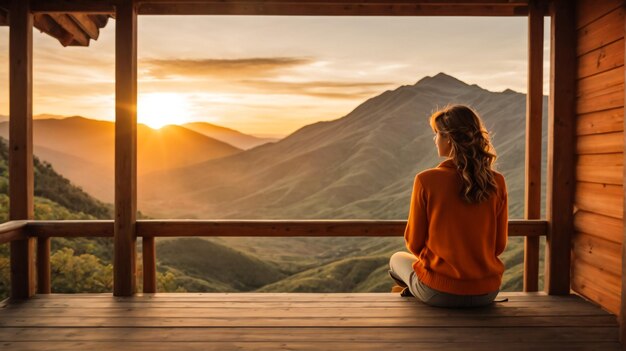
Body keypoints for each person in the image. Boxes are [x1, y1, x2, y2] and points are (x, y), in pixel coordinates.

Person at [388, 104, 508, 308]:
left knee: (396, 259)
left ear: (449, 138)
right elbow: (498, 245)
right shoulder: (496, 181)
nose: (434, 140)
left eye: (436, 134)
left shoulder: (426, 180)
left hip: (439, 292)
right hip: (487, 292)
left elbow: (414, 242)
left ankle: (418, 292)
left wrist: (441, 265)